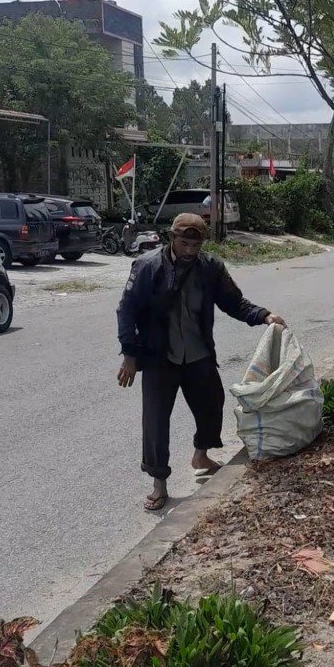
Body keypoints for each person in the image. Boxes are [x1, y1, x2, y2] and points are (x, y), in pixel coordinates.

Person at [117, 213, 286, 511]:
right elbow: (126, 311)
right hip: (159, 356)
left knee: (212, 403)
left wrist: (264, 315)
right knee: (156, 421)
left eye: (196, 245)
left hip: (197, 353)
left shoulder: (211, 269)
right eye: (184, 243)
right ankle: (159, 484)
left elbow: (234, 302)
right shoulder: (147, 267)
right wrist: (130, 355)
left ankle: (201, 455)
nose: (190, 251)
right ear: (172, 238)